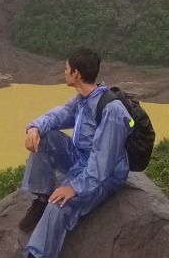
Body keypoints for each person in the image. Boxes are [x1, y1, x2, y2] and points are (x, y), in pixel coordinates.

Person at [18, 47, 131, 258]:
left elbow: (102, 163)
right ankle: (41, 198)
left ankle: (37, 254)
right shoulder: (82, 99)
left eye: (66, 68)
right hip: (81, 158)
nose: (64, 72)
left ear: (76, 73)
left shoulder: (112, 110)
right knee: (46, 137)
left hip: (104, 175)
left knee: (58, 204)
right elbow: (58, 115)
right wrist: (34, 127)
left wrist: (74, 188)